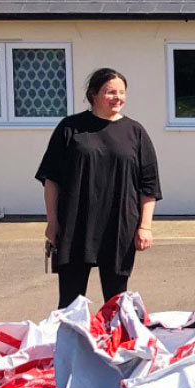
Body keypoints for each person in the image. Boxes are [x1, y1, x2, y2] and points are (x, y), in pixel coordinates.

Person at [37, 68, 162, 309]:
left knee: (117, 301)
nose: (117, 98)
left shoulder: (135, 132)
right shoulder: (70, 128)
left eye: (122, 92)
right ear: (93, 94)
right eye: (110, 92)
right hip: (75, 224)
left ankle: (116, 345)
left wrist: (145, 227)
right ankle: (72, 343)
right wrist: (53, 222)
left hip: (119, 226)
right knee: (70, 301)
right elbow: (52, 179)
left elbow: (149, 185)